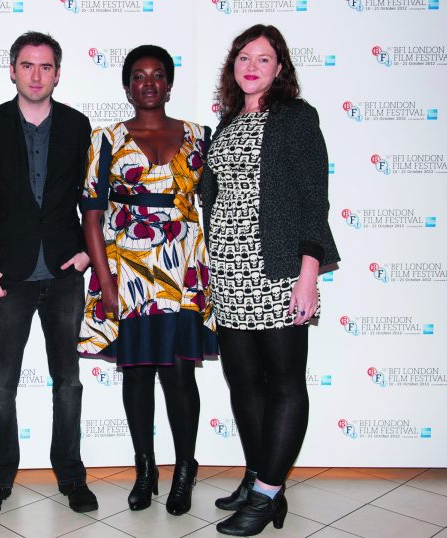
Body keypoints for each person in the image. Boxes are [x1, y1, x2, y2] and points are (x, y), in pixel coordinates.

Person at [201, 25, 340, 536]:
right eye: (243, 56)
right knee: (242, 382)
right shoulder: (227, 121)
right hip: (230, 272)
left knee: (282, 382)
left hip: (278, 269)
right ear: (233, 66)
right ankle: (260, 474)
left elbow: (313, 198)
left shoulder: (296, 119)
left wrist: (308, 274)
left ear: (280, 68)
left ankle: (266, 495)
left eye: (263, 58)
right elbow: (215, 196)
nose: (252, 65)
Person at [78, 45, 217, 516]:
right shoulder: (107, 139)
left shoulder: (201, 136)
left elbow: (217, 208)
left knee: (179, 375)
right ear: (127, 85)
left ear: (170, 83)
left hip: (183, 271)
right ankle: (144, 469)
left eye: (158, 74)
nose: (149, 82)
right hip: (128, 270)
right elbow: (92, 217)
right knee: (136, 375)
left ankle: (184, 470)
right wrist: (107, 283)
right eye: (139, 75)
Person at [0, 31, 98, 518]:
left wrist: (86, 251)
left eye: (45, 67)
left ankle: (71, 477)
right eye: (27, 65)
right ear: (13, 70)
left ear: (57, 73)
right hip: (8, 277)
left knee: (69, 381)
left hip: (64, 272)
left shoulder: (80, 126)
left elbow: (93, 201)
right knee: (1, 383)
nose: (36, 75)